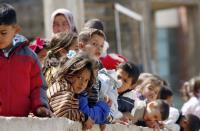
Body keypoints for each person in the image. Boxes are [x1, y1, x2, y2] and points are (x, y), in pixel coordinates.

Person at [0, 3, 51, 117]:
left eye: (3, 33)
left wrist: (40, 106)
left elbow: (37, 86)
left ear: (15, 30)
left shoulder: (29, 56)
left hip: (22, 121)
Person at [47, 53, 110, 130]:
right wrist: (85, 118)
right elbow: (63, 113)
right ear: (69, 73)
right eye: (79, 77)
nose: (82, 83)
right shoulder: (64, 88)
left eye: (86, 80)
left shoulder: (71, 90)